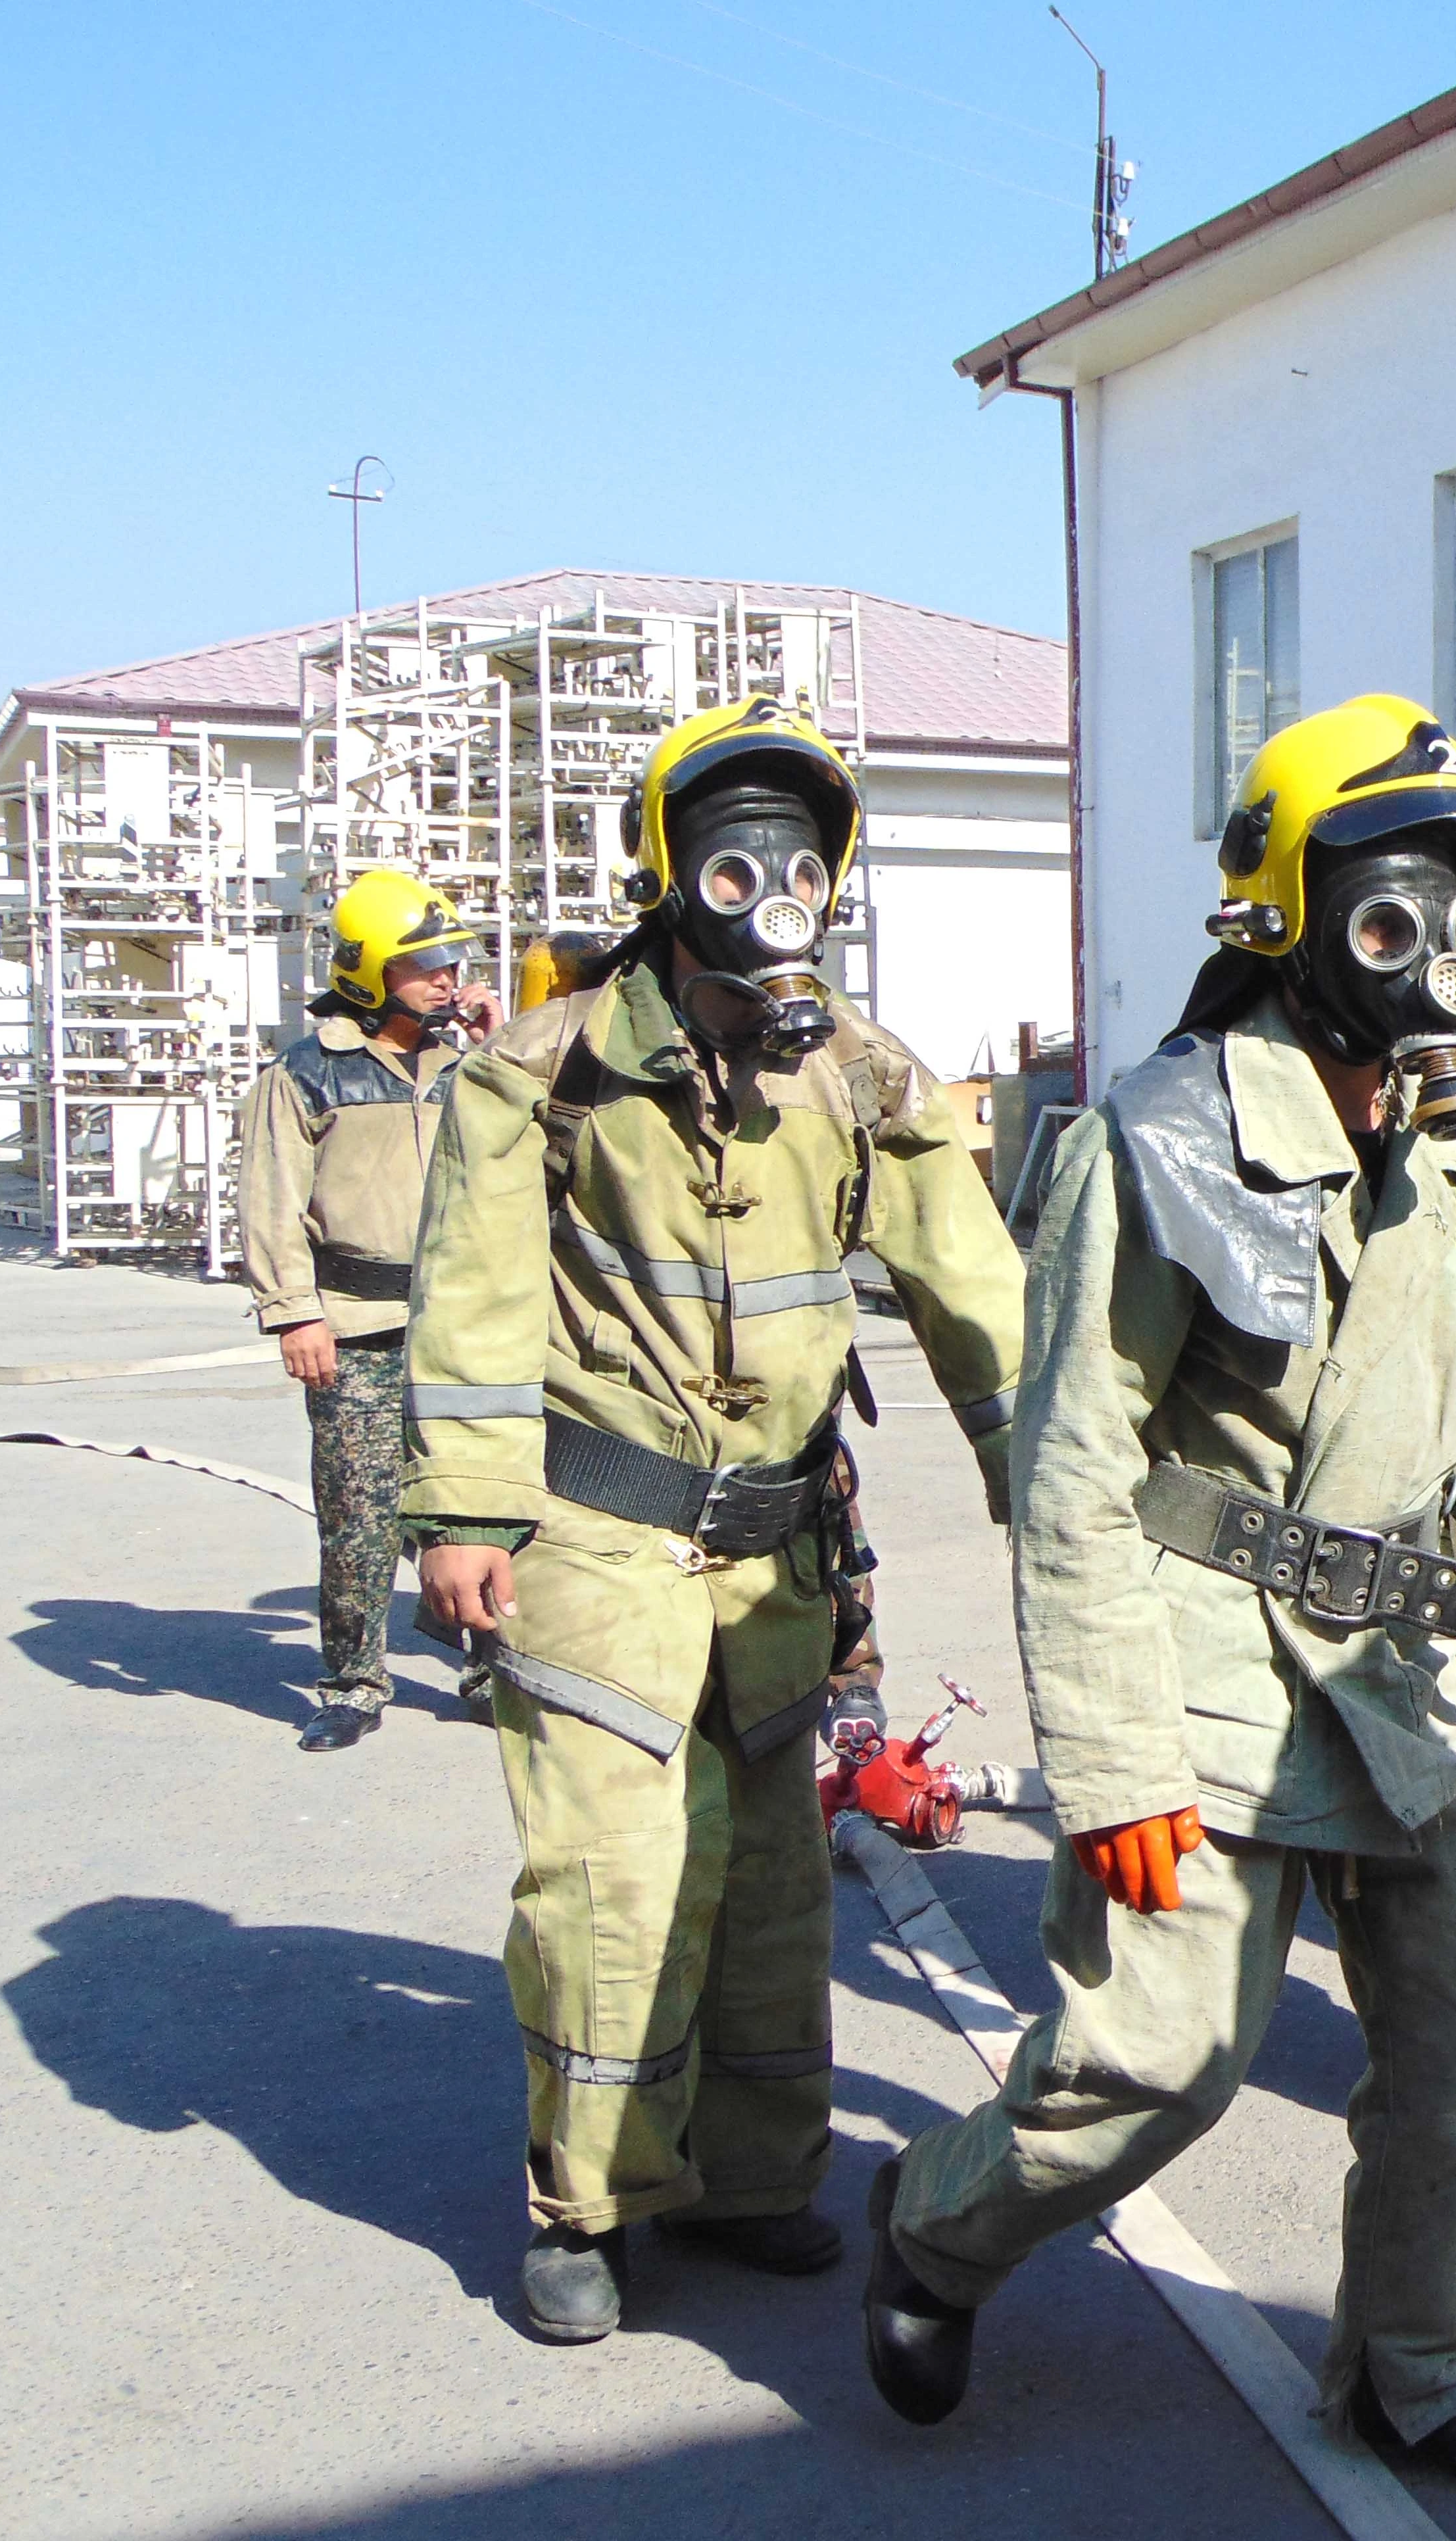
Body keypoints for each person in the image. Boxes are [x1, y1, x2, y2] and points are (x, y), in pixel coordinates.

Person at [862, 696, 1456, 2497]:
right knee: (1160, 2067)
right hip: (1205, 1648)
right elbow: (1073, 1463)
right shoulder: (1163, 1139)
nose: (1419, 948)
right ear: (1287, 913)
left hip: (1402, 1667)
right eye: (1381, 905)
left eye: (1447, 904)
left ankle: (1406, 2374)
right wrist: (1116, 1756)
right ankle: (937, 2231)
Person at [404, 696, 1025, 2346]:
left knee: (767, 1883)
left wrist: (1054, 1487)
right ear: (674, 866)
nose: (776, 880)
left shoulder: (863, 1076)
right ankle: (593, 2202)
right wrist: (462, 1512)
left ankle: (755, 2182)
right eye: (740, 848)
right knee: (614, 1877)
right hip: (594, 1531)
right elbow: (469, 1303)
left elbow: (977, 1296)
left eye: (805, 852)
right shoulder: (538, 1075)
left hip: (778, 1550)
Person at [239, 868, 502, 1753]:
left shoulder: (469, 1063)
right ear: (366, 972)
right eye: (421, 964)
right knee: (359, 1513)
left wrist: (506, 1048)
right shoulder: (308, 1072)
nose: (444, 978)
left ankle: (485, 1667)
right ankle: (354, 1681)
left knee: (476, 1503)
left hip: (459, 1325)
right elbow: (270, 1199)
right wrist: (294, 1311)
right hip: (354, 1323)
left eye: (449, 962)